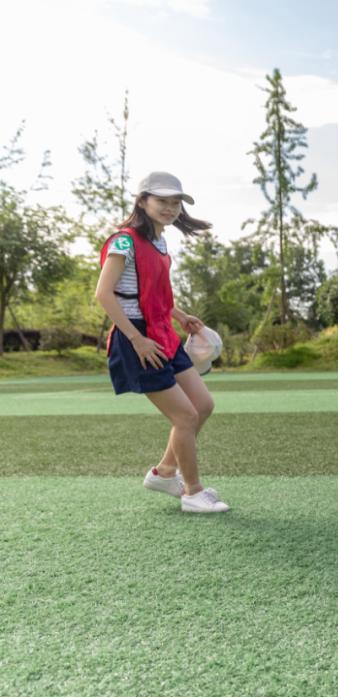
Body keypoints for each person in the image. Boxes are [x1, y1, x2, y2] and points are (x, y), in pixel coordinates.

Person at [94, 172, 229, 514]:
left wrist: (181, 317)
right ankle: (192, 492)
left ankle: (165, 473)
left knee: (203, 405)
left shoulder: (160, 242)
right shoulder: (123, 242)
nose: (170, 208)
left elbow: (154, 295)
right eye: (162, 201)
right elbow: (103, 294)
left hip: (161, 334)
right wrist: (136, 339)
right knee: (184, 416)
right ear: (142, 201)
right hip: (137, 338)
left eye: (175, 202)